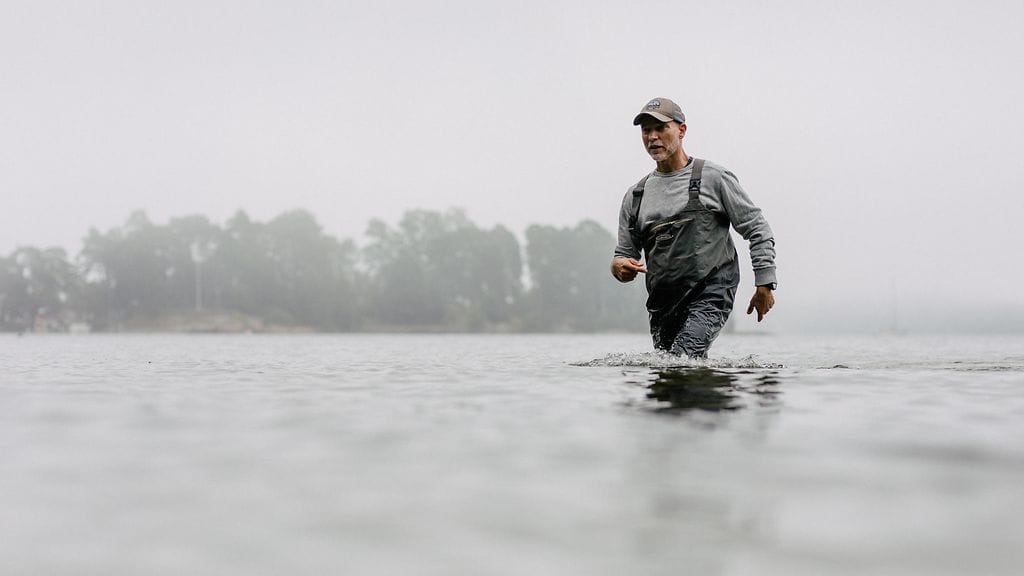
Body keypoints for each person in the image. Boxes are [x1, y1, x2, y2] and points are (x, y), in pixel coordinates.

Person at [611, 97, 777, 358]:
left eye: (661, 128)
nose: (652, 137)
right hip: (663, 303)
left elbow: (757, 228)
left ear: (682, 130)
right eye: (646, 130)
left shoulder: (714, 178)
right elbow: (623, 254)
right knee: (669, 377)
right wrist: (619, 266)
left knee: (683, 358)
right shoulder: (636, 196)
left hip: (711, 293)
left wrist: (765, 282)